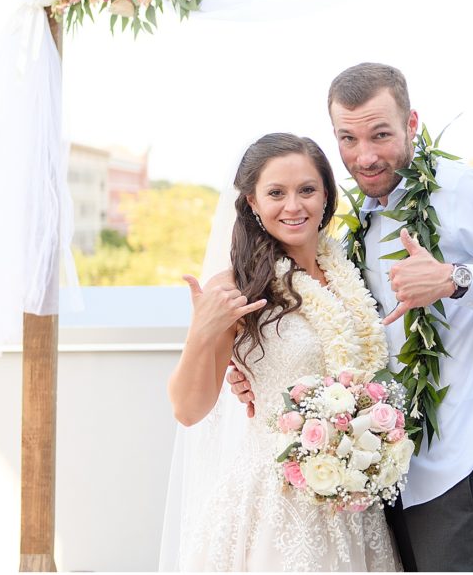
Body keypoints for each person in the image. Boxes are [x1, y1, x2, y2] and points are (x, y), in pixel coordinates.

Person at [228, 63, 473, 571]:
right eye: (348, 139)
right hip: (385, 472)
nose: (365, 156)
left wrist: (456, 279)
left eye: (381, 134)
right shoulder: (362, 221)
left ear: (412, 123)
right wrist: (256, 372)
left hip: (463, 460)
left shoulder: (464, 191)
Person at [162, 132, 400, 571]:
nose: (294, 206)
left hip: (356, 503)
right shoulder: (235, 286)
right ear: (252, 202)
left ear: (326, 195)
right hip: (276, 502)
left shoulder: (350, 273)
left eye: (307, 190)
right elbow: (188, 409)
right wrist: (203, 332)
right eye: (276, 193)